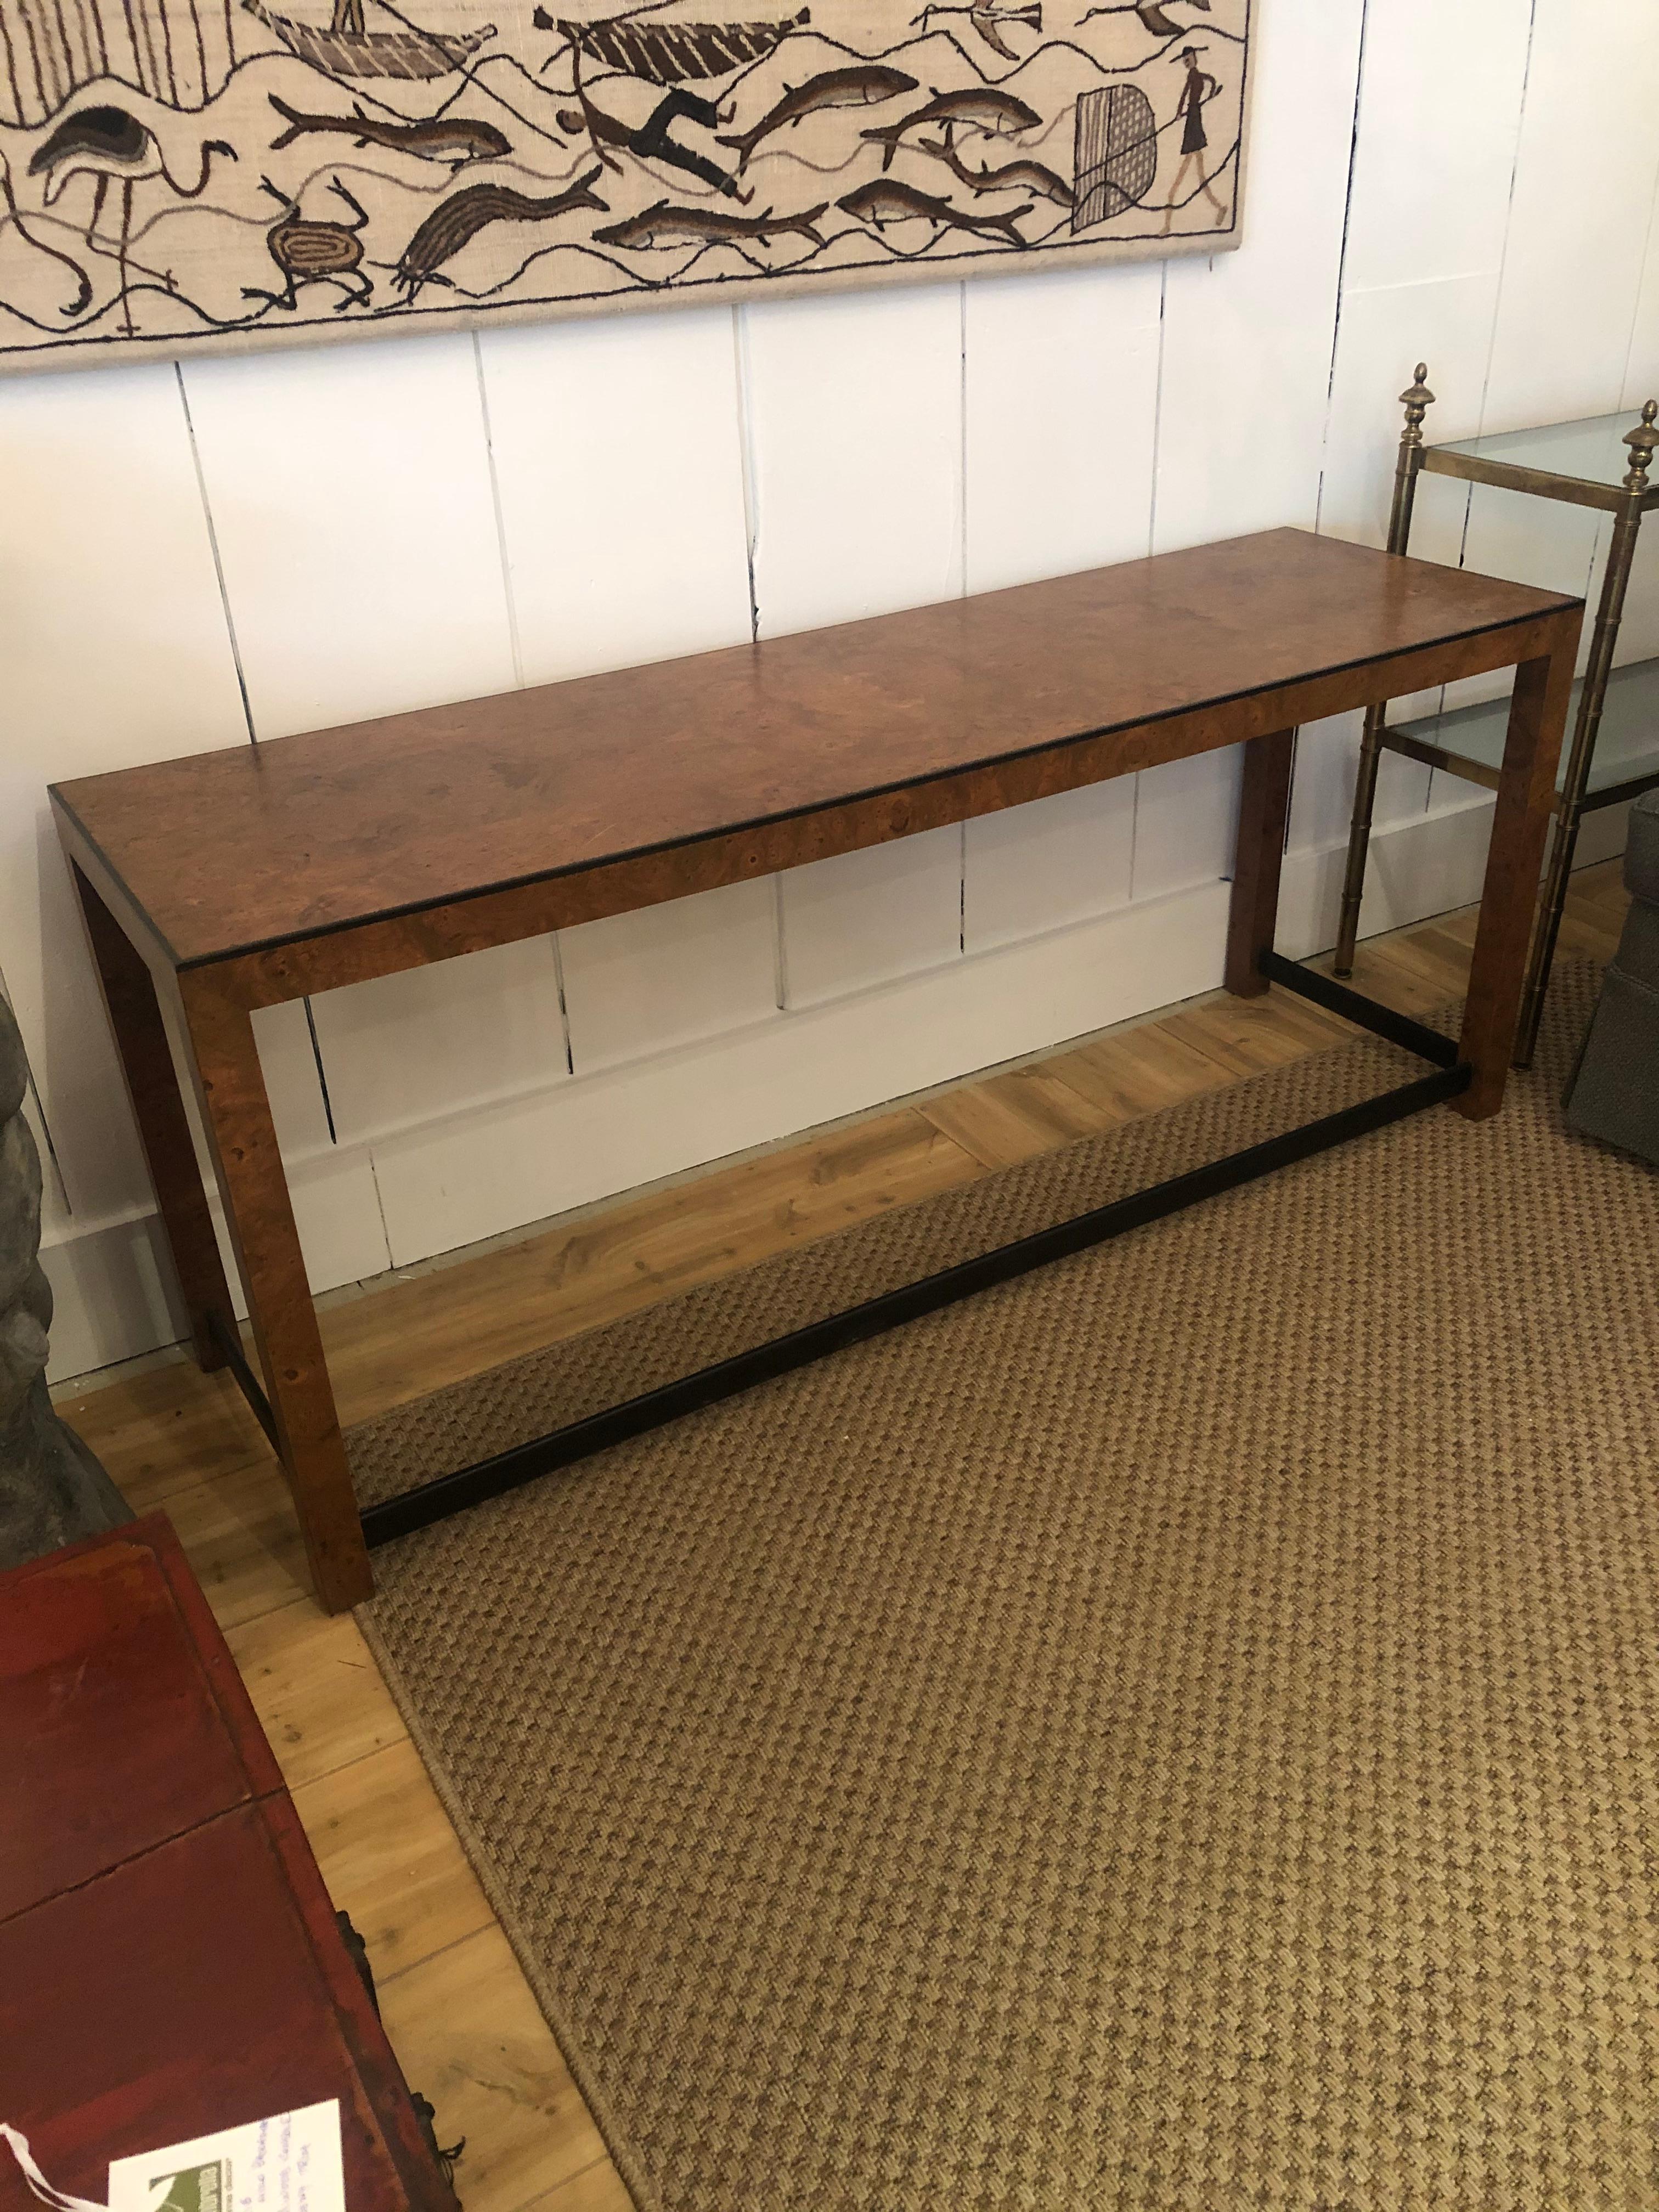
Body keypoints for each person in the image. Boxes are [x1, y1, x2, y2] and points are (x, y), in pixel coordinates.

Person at [1163, 44, 1226, 230]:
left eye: (1188, 58)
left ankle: (1168, 223)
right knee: (1200, 175)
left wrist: (1180, 112)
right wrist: (1181, 112)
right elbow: (1208, 81)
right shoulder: (1194, 75)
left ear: (1194, 57)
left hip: (1193, 118)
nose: (1186, 61)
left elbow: (1188, 92)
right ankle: (1220, 207)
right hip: (1193, 116)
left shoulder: (1194, 75)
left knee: (1189, 176)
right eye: (1185, 59)